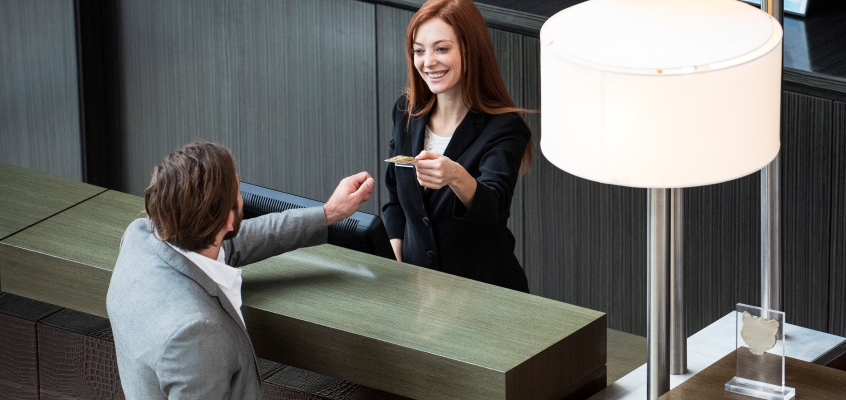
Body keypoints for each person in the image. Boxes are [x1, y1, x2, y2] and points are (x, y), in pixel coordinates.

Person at [106, 141, 374, 399]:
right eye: (238, 188)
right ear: (228, 221)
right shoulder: (196, 334)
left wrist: (328, 213)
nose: (241, 193)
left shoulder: (139, 239)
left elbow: (237, 242)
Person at [382, 0, 533, 292]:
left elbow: (493, 206)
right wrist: (395, 256)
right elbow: (396, 199)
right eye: (419, 50)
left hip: (485, 294)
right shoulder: (405, 112)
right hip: (418, 293)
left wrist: (455, 175)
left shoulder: (504, 128)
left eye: (442, 49)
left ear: (470, 50)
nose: (428, 62)